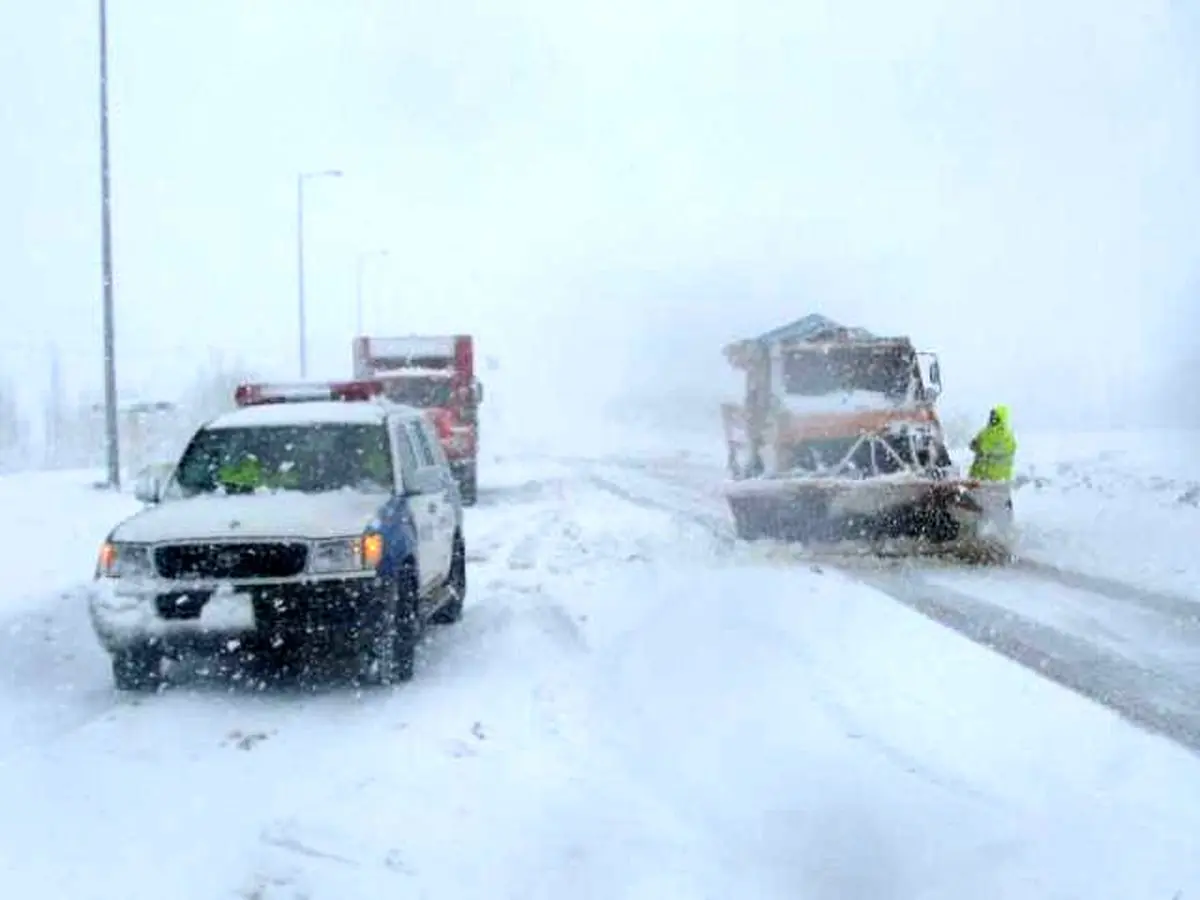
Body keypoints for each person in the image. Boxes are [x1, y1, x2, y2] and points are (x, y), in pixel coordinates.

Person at [968, 405, 1017, 481]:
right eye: (992, 415)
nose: (993, 418)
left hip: (997, 480)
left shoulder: (1006, 436)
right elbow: (974, 445)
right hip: (978, 478)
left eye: (996, 416)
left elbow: (999, 449)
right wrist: (974, 445)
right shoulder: (984, 432)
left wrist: (981, 448)